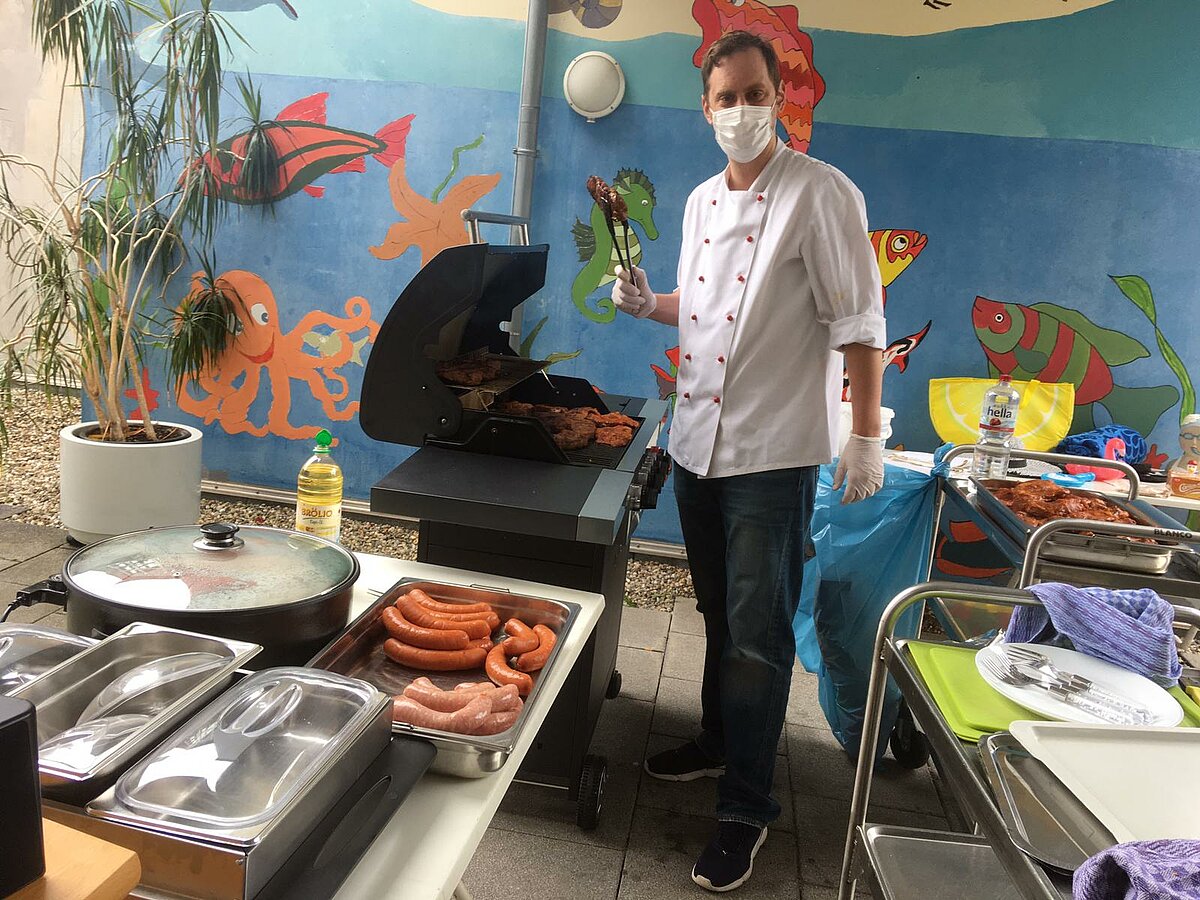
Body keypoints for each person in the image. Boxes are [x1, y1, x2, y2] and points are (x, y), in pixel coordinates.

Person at [611, 30, 886, 893]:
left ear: (782, 97)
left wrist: (868, 434)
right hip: (695, 445)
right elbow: (701, 311)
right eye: (724, 98)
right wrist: (644, 301)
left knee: (760, 640)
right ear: (705, 107)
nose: (740, 111)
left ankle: (745, 809)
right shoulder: (697, 203)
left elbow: (859, 322)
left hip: (771, 456)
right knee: (720, 621)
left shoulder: (822, 193)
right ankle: (721, 742)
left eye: (754, 94)